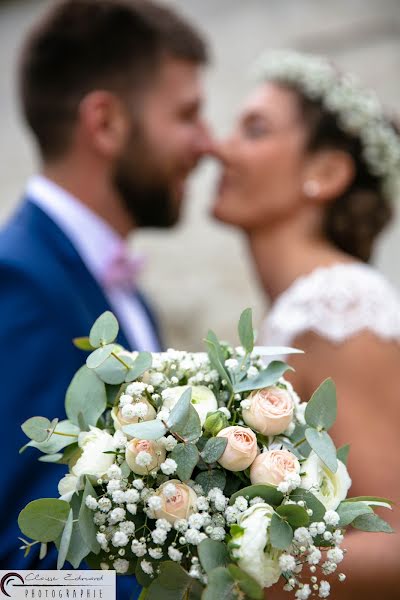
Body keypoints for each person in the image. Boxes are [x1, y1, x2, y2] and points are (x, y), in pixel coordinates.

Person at [0, 0, 212, 584]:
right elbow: (22, 572)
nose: (206, 142)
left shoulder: (122, 291)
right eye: (188, 115)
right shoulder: (17, 283)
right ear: (106, 123)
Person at [213, 50, 400, 598]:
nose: (221, 149)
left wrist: (222, 569)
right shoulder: (303, 309)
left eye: (255, 129)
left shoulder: (337, 308)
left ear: (327, 172)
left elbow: (394, 539)